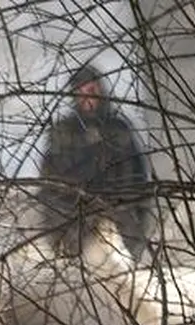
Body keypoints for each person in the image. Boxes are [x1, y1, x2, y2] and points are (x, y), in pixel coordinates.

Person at [38, 65, 151, 261]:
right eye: (80, 93)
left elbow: (136, 180)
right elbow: (50, 185)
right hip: (75, 225)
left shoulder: (118, 130)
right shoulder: (63, 133)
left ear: (100, 90)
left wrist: (129, 221)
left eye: (91, 91)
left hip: (117, 220)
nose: (87, 98)